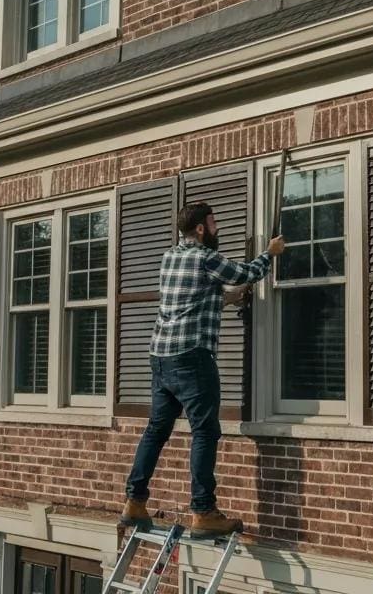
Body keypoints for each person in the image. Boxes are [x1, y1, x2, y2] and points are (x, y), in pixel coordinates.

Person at [120, 201, 285, 538]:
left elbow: (195, 298)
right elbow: (246, 273)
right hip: (192, 357)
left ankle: (134, 502)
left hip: (161, 356)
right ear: (199, 228)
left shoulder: (170, 257)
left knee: (156, 430)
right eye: (213, 222)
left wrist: (230, 298)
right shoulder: (205, 257)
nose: (216, 227)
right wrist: (270, 253)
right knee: (205, 431)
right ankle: (204, 511)